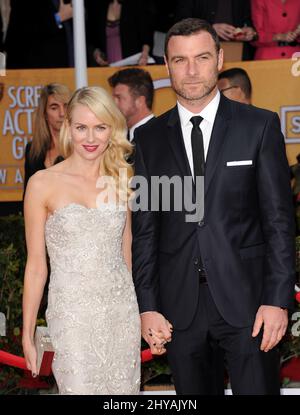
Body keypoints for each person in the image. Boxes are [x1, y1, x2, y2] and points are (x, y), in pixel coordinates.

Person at [132, 18, 295, 395]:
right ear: (167, 65)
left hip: (249, 305)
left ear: (219, 58)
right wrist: (148, 306)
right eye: (180, 60)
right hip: (179, 310)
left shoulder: (259, 126)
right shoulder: (149, 138)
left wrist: (277, 300)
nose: (191, 71)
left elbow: (278, 223)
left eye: (202, 57)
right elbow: (145, 230)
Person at [22, 86, 141, 395]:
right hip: (72, 315)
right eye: (81, 127)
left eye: (100, 127)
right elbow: (36, 265)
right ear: (68, 127)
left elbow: (125, 250)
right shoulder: (42, 183)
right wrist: (27, 332)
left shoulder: (121, 179)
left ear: (112, 130)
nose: (90, 138)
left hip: (120, 313)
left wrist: (139, 311)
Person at [23, 83, 71, 196]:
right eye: (54, 108)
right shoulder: (33, 150)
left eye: (66, 106)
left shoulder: (82, 147)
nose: (62, 113)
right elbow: (28, 195)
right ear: (44, 113)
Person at [175, 0, 257, 60]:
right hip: (201, 51)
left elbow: (249, 20)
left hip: (236, 51)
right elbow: (181, 22)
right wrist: (208, 28)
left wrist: (250, 32)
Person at [85, 0, 155, 66]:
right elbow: (92, 38)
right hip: (108, 66)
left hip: (134, 65)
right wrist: (96, 53)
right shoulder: (98, 5)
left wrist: (144, 55)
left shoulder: (137, 4)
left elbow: (146, 36)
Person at [108, 68, 154, 142]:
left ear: (140, 101)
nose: (113, 104)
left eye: (119, 98)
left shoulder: (160, 137)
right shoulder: (122, 138)